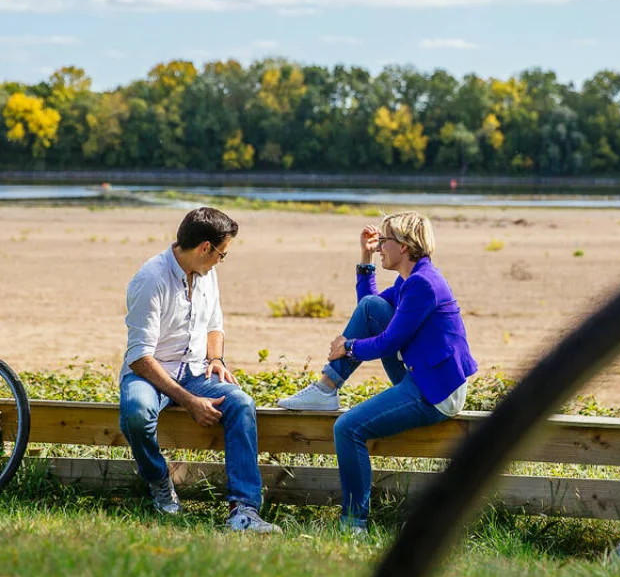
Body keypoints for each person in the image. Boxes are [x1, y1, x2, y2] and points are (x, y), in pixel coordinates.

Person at [277, 211, 477, 531]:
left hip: (436, 390)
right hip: (421, 374)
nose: (380, 246)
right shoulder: (409, 280)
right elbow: (368, 311)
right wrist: (365, 257)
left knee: (347, 429)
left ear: (406, 247)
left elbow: (387, 343)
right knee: (372, 308)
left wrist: (349, 347)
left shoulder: (423, 284)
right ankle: (327, 388)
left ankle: (353, 524)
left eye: (384, 241)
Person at [119, 206, 279, 533]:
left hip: (195, 371)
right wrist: (190, 402)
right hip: (149, 373)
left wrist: (217, 360)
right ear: (205, 248)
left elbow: (215, 324)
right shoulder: (151, 279)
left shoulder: (208, 273)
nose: (222, 260)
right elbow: (139, 357)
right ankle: (159, 481)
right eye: (222, 253)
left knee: (242, 404)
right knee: (137, 413)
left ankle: (243, 510)